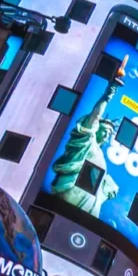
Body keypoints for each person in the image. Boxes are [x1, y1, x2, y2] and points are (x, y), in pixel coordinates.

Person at [49, 61, 126, 215]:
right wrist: (109, 93)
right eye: (103, 131)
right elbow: (94, 117)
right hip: (70, 196)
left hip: (88, 208)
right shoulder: (86, 141)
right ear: (96, 130)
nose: (105, 135)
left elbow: (109, 186)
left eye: (108, 134)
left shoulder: (100, 156)